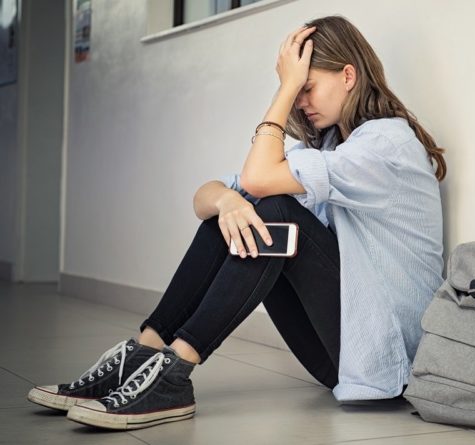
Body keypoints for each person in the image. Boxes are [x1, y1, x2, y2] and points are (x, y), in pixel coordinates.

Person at [26, 15, 446, 430]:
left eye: (306, 88)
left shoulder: (386, 144)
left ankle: (174, 374)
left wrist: (283, 90)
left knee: (274, 212)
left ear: (348, 75)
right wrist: (227, 201)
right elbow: (205, 198)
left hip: (388, 359)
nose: (300, 101)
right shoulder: (331, 146)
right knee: (229, 216)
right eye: (295, 92)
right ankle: (142, 354)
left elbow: (258, 179)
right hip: (343, 356)